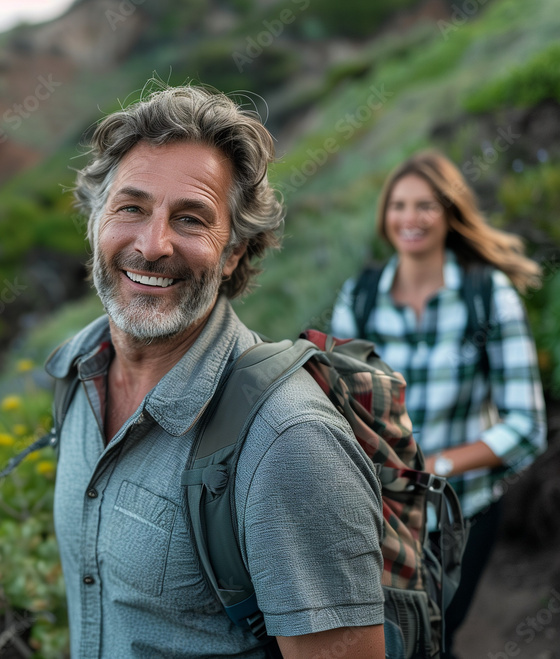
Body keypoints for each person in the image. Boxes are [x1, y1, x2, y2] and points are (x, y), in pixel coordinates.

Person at [48, 84, 385, 658]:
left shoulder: (288, 441)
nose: (153, 245)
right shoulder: (76, 373)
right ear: (95, 221)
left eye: (190, 219)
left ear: (233, 253)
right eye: (131, 208)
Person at [330, 150, 547, 658]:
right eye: (399, 205)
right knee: (390, 644)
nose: (411, 218)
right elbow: (337, 408)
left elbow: (527, 424)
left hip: (462, 514)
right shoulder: (360, 298)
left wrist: (437, 468)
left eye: (426, 205)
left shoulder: (487, 295)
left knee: (434, 640)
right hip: (380, 519)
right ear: (385, 215)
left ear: (450, 212)